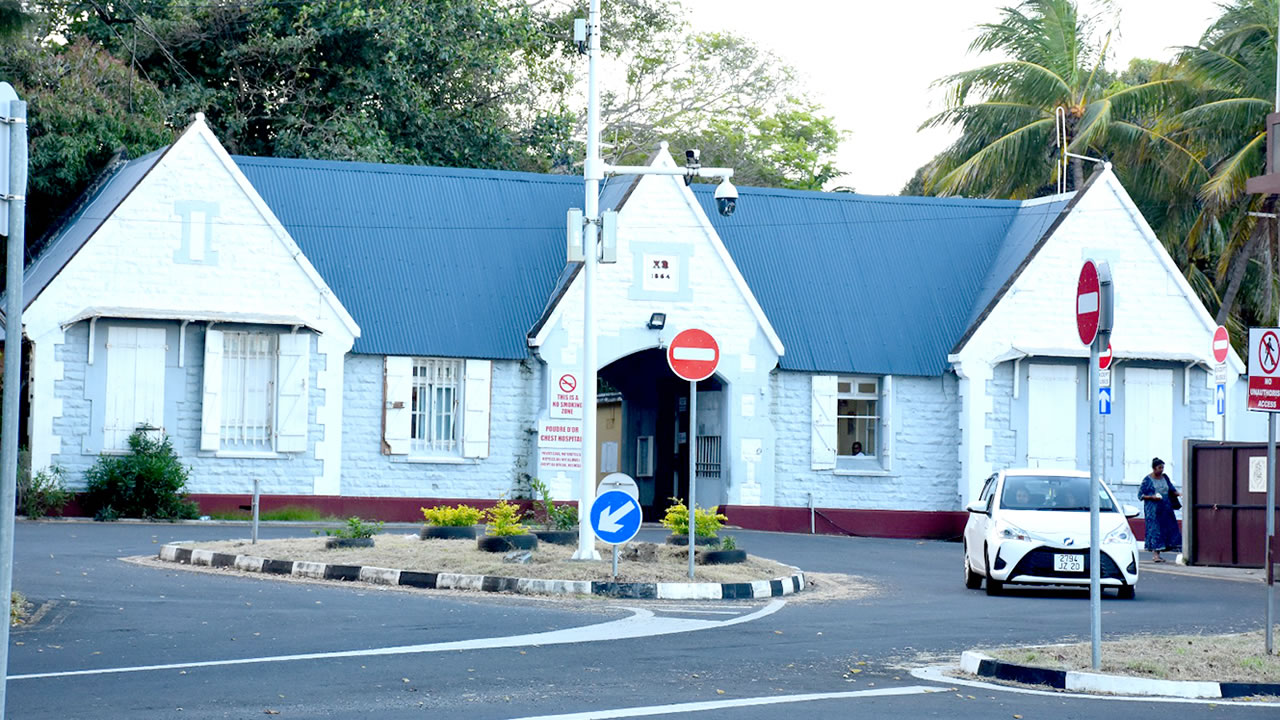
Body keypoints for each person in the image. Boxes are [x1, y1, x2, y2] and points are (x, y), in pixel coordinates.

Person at [1139, 457, 1182, 563]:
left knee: (1170, 529)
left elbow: (1171, 490)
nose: (1161, 470)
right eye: (1159, 467)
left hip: (1166, 509)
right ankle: (1156, 555)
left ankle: (1174, 549)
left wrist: (1180, 494)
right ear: (1154, 468)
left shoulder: (1165, 477)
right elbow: (1140, 495)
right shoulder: (1147, 480)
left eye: (1163, 467)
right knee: (1155, 531)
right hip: (1153, 511)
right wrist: (1152, 497)